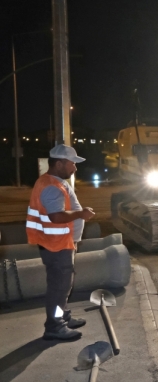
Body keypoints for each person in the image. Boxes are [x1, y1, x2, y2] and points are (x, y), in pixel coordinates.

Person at [26, 144, 95, 340]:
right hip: (56, 246)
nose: (75, 168)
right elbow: (56, 217)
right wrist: (81, 214)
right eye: (72, 164)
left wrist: (78, 212)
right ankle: (55, 326)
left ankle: (62, 317)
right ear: (59, 164)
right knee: (59, 289)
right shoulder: (51, 186)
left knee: (62, 287)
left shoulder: (53, 182)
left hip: (58, 244)